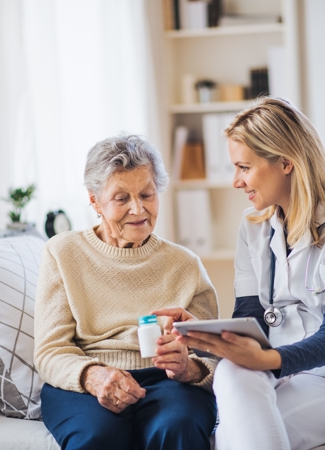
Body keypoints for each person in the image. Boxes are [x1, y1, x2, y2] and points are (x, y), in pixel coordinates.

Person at [154, 98, 325, 450]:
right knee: (233, 371)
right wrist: (208, 335)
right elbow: (251, 321)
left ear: (285, 162)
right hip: (283, 368)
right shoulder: (253, 226)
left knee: (233, 436)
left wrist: (266, 360)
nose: (236, 181)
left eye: (244, 167)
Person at [34, 134, 218, 450]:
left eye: (147, 194)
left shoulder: (185, 265)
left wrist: (189, 367)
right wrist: (93, 376)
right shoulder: (62, 253)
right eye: (121, 198)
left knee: (177, 429)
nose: (138, 209)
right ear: (94, 200)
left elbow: (212, 356)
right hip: (87, 378)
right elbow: (50, 350)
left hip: (167, 381)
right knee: (97, 436)